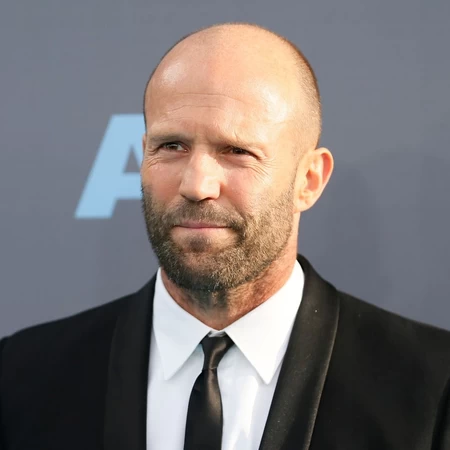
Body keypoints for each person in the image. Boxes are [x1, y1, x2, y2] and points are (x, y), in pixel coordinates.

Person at [1, 22, 450, 450]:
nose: (197, 185)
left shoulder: (433, 389)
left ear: (309, 180)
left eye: (237, 151)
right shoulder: (22, 377)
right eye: (171, 146)